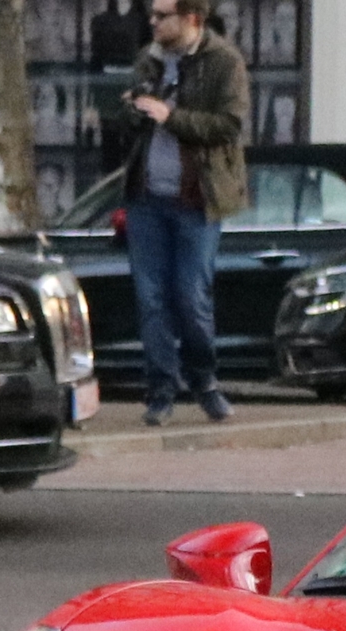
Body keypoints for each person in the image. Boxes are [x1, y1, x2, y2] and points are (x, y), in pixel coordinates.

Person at [121, 0, 249, 425]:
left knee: (191, 297)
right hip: (147, 199)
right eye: (152, 16)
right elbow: (133, 123)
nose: (153, 23)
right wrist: (132, 108)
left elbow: (228, 125)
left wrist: (170, 116)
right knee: (150, 298)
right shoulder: (149, 58)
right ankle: (160, 389)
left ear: (191, 18)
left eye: (162, 16)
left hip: (197, 199)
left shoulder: (224, 61)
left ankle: (204, 380)